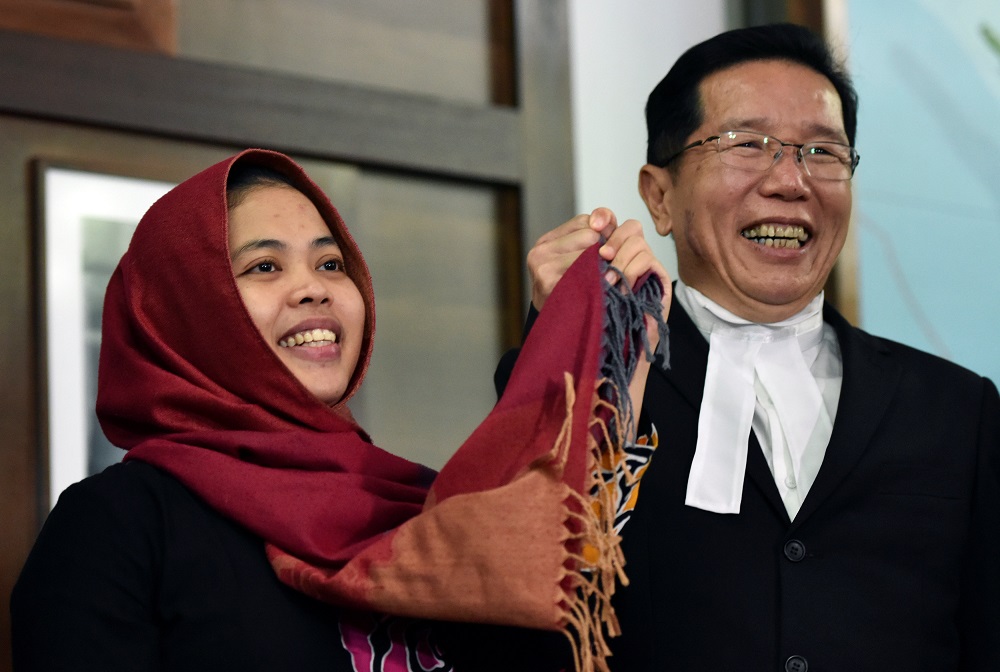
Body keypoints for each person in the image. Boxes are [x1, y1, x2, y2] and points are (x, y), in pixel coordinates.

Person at [11, 149, 668, 672]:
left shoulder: (419, 502)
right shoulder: (120, 524)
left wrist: (597, 340)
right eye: (264, 266)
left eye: (331, 262)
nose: (313, 289)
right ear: (186, 308)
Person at [495, 23, 1000, 672]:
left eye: (823, 153)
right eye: (748, 144)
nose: (790, 181)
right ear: (660, 195)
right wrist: (566, 343)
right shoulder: (591, 385)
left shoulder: (958, 411)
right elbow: (516, 621)